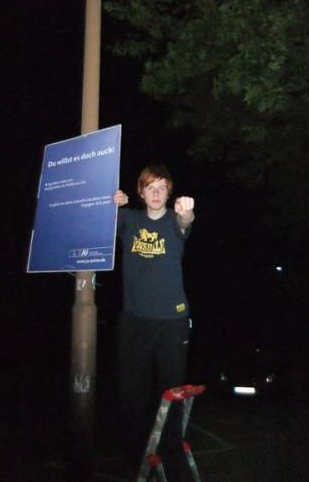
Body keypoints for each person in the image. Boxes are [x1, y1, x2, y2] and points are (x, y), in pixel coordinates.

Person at [113, 164, 195, 479]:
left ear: (169, 192)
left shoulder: (175, 221)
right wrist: (112, 203)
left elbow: (186, 222)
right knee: (131, 393)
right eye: (150, 187)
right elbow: (97, 221)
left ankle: (172, 455)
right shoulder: (129, 220)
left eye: (162, 187)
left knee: (171, 392)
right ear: (141, 191)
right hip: (134, 322)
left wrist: (187, 212)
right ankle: (133, 456)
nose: (156, 193)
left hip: (172, 322)